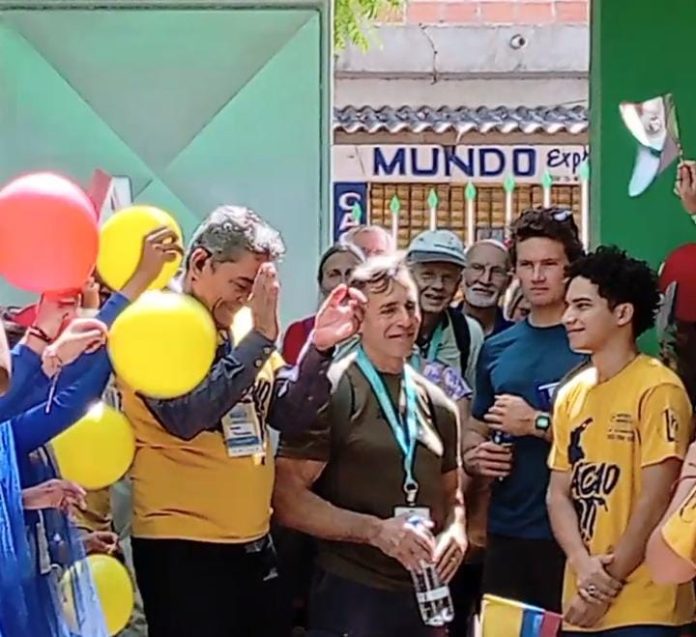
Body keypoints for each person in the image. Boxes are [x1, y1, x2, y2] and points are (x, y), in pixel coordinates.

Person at [118, 205, 363, 637]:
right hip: (184, 549)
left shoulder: (245, 324)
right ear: (199, 264)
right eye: (241, 284)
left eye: (257, 288)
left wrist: (319, 349)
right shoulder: (155, 322)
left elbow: (287, 412)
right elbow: (186, 415)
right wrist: (261, 341)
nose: (247, 299)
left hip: (253, 542)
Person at [273, 254, 465, 637]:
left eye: (409, 306)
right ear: (359, 320)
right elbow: (286, 499)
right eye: (388, 309)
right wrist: (375, 531)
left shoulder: (438, 401)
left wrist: (456, 533)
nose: (404, 321)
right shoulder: (330, 389)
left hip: (423, 595)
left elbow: (453, 495)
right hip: (352, 595)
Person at [547, 246, 695, 636]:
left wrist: (602, 586)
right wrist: (582, 565)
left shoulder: (658, 387)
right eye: (568, 306)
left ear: (622, 314)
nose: (568, 318)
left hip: (646, 607)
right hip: (583, 599)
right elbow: (558, 494)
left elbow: (657, 499)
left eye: (581, 306)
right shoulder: (571, 394)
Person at [462, 207, 586, 614]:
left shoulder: (591, 342)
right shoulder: (498, 346)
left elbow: (611, 440)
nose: (536, 276)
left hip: (581, 535)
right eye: (527, 265)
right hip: (508, 529)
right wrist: (475, 455)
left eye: (549, 264)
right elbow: (476, 427)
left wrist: (537, 423)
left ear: (570, 269)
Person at [407, 229, 484, 388]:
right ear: (407, 276)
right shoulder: (384, 326)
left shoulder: (468, 332)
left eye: (447, 277)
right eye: (427, 275)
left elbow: (471, 400)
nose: (438, 286)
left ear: (458, 283)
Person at [282, 242, 364, 365]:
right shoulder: (299, 332)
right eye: (333, 274)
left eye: (350, 273)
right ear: (321, 283)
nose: (343, 283)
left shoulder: (380, 329)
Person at [460, 239, 513, 337]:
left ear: (508, 282)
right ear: (461, 274)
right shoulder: (439, 328)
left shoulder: (513, 338)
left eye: (497, 271)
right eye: (477, 268)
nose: (485, 280)